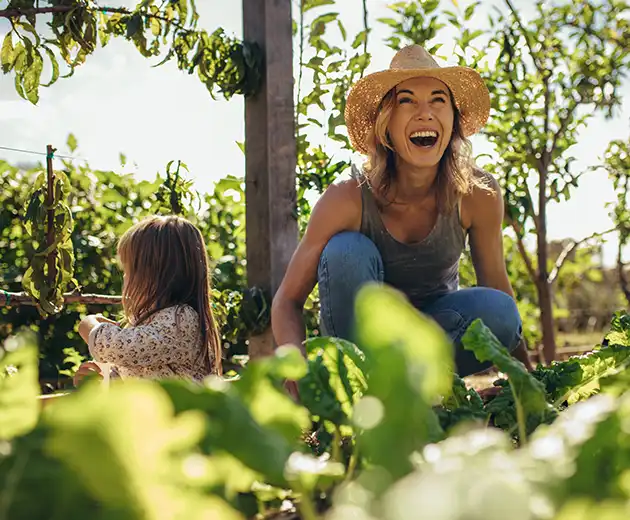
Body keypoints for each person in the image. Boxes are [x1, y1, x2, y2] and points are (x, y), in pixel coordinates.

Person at [271, 44, 533, 386]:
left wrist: (528, 379)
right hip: (359, 352)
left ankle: (415, 391)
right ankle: (360, 395)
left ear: (452, 120)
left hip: (435, 340)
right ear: (385, 123)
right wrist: (298, 376)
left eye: (438, 100)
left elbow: (497, 285)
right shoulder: (346, 198)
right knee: (346, 251)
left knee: (500, 310)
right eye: (406, 100)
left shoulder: (477, 193)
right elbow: (287, 301)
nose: (425, 113)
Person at [74, 215, 222, 385]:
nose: (124, 276)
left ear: (153, 274)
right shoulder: (149, 322)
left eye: (128, 269)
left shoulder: (181, 319)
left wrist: (89, 326)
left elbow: (124, 348)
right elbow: (134, 375)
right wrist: (102, 379)